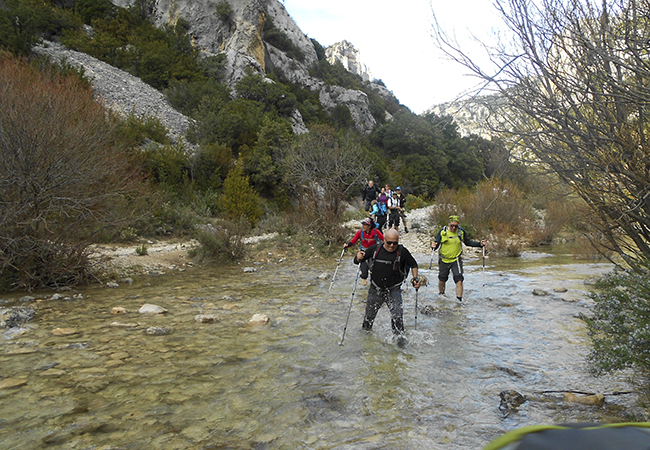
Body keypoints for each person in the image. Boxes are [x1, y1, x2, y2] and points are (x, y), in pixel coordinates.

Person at [354, 229, 421, 337]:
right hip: (375, 289)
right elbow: (357, 260)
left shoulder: (402, 251)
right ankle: (365, 343)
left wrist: (415, 278)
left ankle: (399, 343)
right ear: (384, 240)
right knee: (368, 318)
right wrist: (358, 257)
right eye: (389, 242)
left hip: (393, 289)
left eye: (395, 243)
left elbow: (414, 265)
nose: (391, 245)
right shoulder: (375, 249)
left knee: (397, 317)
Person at [431, 215, 486, 302]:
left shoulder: (461, 232)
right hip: (444, 259)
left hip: (456, 260)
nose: (454, 228)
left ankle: (459, 300)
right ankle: (441, 296)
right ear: (449, 224)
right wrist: (433, 246)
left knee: (459, 279)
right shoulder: (442, 232)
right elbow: (436, 244)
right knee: (442, 279)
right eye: (452, 225)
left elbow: (467, 242)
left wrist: (479, 244)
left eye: (456, 226)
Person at [344, 218, 384, 286]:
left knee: (373, 271)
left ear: (369, 226)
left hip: (373, 253)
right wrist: (347, 245)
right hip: (363, 253)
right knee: (364, 272)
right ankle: (364, 287)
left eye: (365, 225)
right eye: (363, 224)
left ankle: (373, 284)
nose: (363, 226)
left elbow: (384, 239)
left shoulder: (375, 231)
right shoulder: (360, 232)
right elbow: (353, 241)